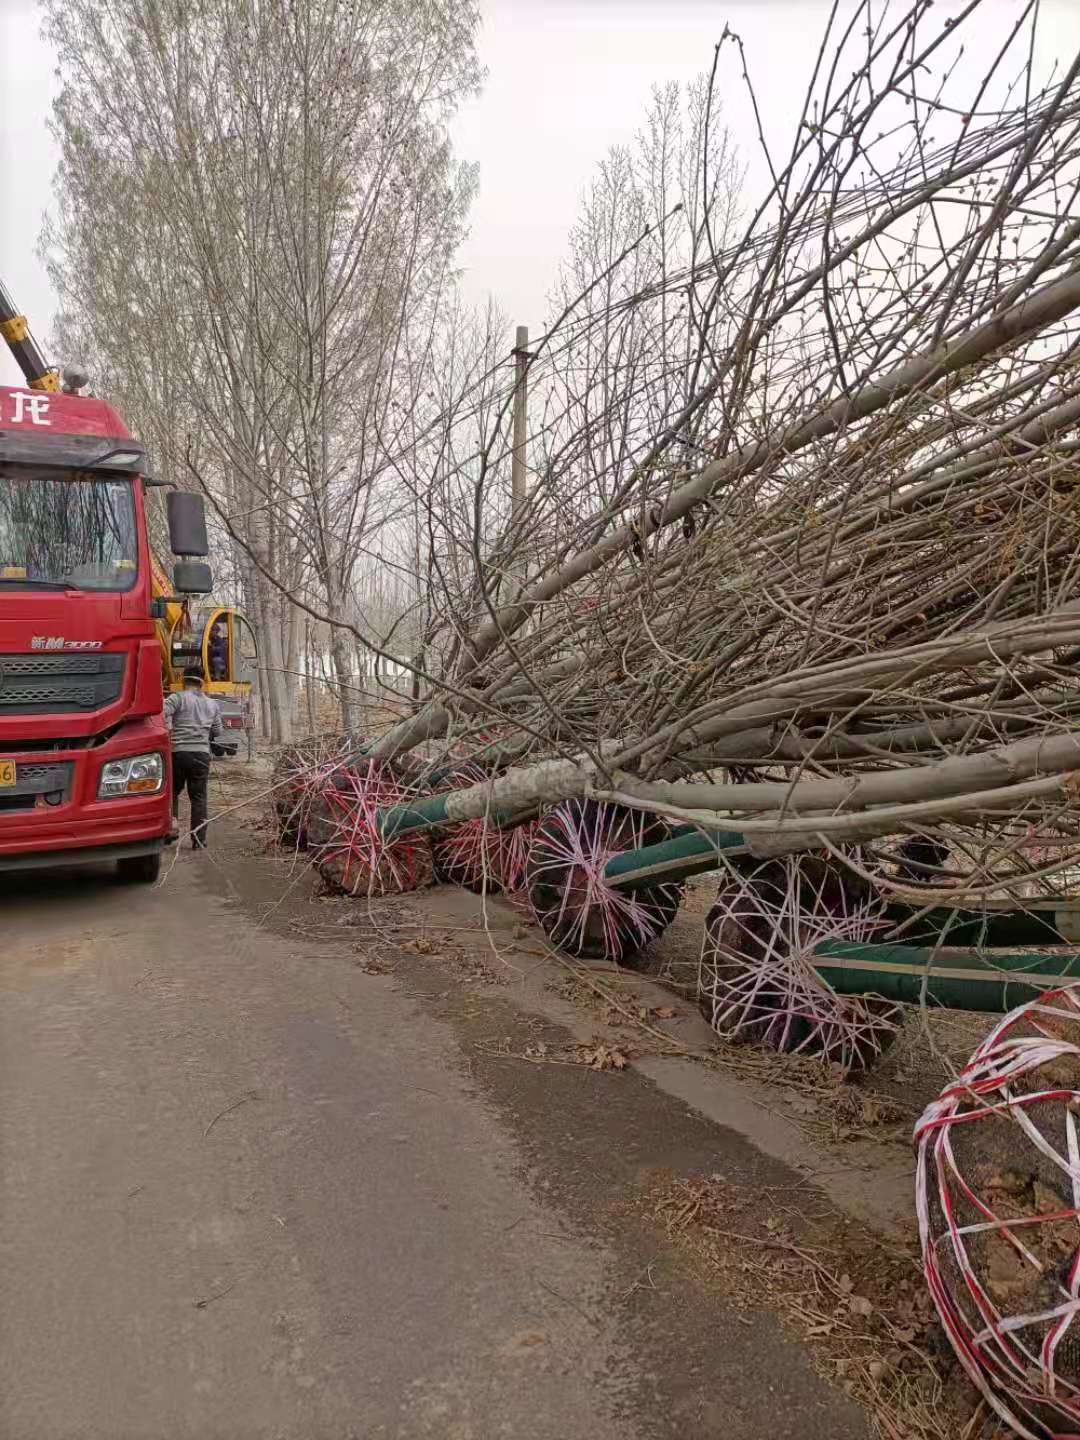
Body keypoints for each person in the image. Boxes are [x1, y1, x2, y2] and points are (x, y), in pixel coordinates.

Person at [163, 670, 225, 849]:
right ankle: (199, 839)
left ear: (184, 681)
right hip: (201, 755)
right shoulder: (212, 704)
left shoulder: (177, 698)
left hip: (178, 753)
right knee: (199, 797)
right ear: (202, 683)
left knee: (172, 794)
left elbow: (161, 712)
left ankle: (170, 831)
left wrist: (169, 726)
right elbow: (217, 731)